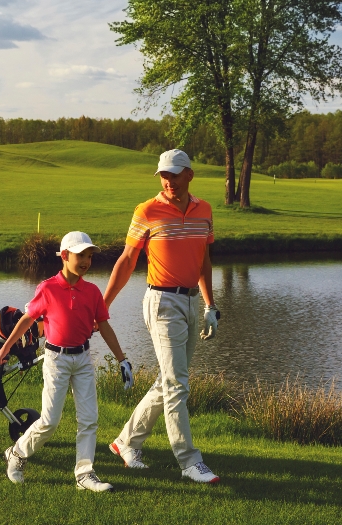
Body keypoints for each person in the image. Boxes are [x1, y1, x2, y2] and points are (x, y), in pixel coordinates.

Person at [103, 149, 222, 485]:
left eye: (174, 174)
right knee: (177, 384)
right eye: (163, 176)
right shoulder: (147, 211)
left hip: (191, 303)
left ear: (189, 175)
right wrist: (103, 305)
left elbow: (204, 261)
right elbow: (127, 260)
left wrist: (211, 305)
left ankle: (125, 441)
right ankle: (189, 460)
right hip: (162, 302)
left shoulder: (205, 211)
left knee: (168, 381)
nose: (168, 181)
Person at [0, 231, 134, 492]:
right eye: (81, 255)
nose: (86, 261)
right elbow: (27, 319)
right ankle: (17, 454)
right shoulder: (47, 288)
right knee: (49, 421)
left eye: (90, 256)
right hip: (56, 359)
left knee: (89, 419)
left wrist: (122, 360)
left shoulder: (92, 291)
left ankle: (84, 474)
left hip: (82, 359)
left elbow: (104, 327)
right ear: (66, 255)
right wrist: (5, 349)